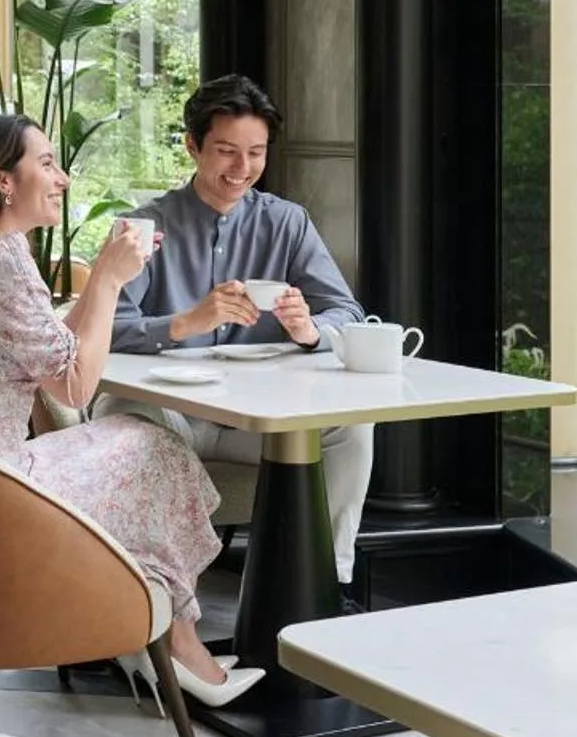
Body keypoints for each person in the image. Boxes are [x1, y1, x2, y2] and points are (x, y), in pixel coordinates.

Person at [0, 113, 262, 706]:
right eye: (45, 163)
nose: (62, 177)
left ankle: (153, 632)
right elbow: (71, 387)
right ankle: (176, 644)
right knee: (154, 449)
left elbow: (52, 350)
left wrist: (102, 278)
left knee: (146, 444)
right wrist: (111, 282)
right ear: (3, 182)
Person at [106, 75, 375, 596]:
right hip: (173, 415)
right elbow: (104, 328)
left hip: (257, 418)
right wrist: (185, 323)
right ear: (193, 145)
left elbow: (347, 311)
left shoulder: (287, 224)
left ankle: (326, 583)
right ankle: (154, 595)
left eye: (256, 153)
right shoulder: (141, 227)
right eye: (227, 151)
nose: (242, 169)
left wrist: (308, 329)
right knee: (128, 422)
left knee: (351, 428)